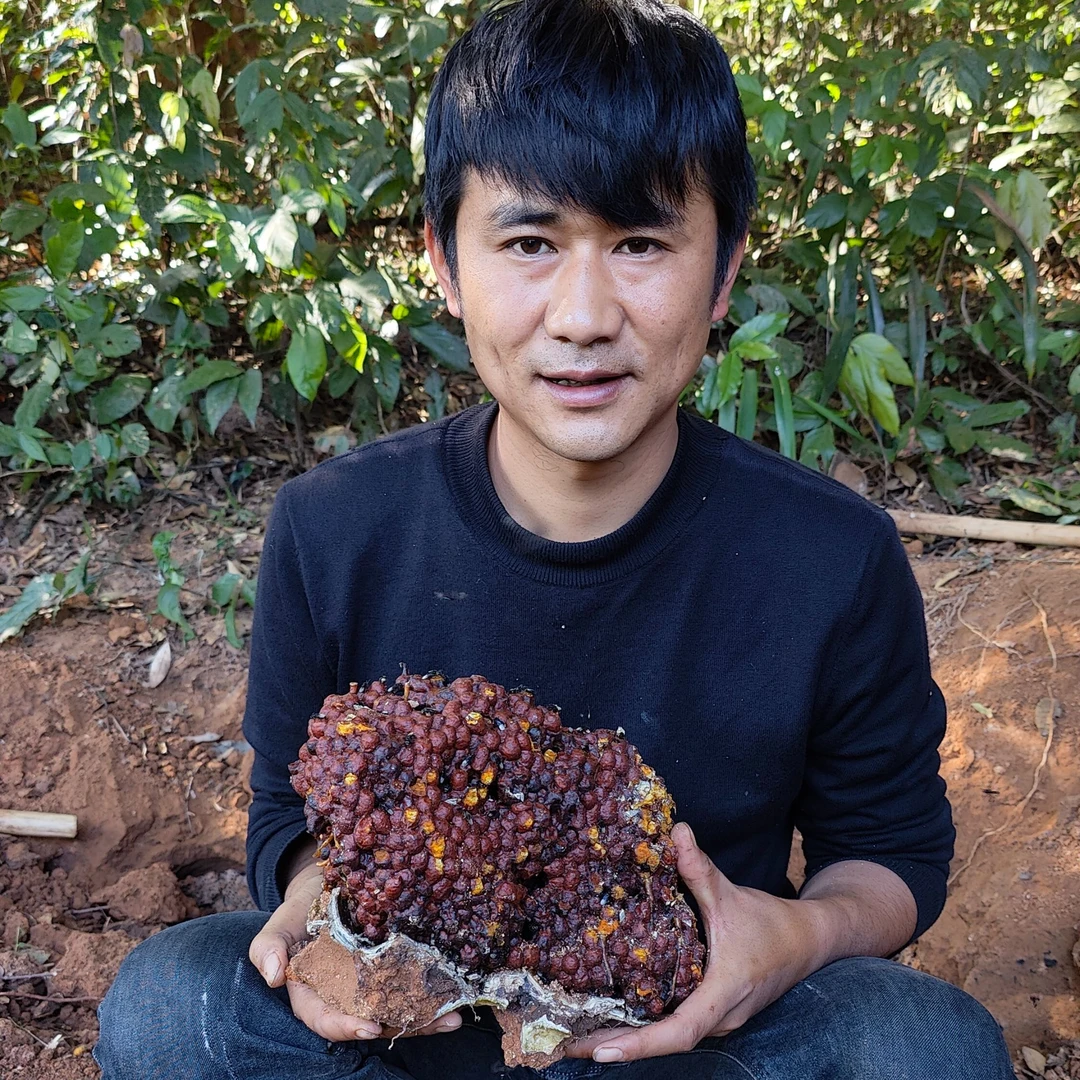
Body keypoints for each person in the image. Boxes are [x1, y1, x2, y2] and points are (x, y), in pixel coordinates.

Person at [94, 0, 1017, 1076]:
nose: (583, 315)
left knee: (924, 1045)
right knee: (172, 1008)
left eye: (639, 244)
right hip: (409, 1032)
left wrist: (794, 934)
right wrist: (315, 906)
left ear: (722, 271)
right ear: (445, 260)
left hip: (685, 1036)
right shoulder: (334, 528)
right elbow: (285, 817)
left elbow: (890, 855)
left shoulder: (832, 557)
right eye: (530, 242)